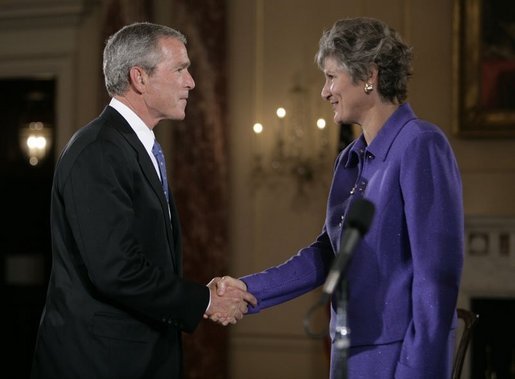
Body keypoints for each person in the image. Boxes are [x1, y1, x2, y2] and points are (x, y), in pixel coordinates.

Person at [211, 17, 464, 379]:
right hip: (347, 355)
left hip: (398, 359)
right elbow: (329, 254)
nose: (324, 91)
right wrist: (249, 289)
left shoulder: (421, 144)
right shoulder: (349, 159)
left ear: (369, 76)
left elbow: (436, 278)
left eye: (331, 77)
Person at [30, 22, 256, 379]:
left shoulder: (133, 147)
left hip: (135, 358)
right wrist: (206, 300)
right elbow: (116, 270)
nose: (191, 82)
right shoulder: (99, 151)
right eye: (180, 69)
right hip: (99, 364)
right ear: (140, 78)